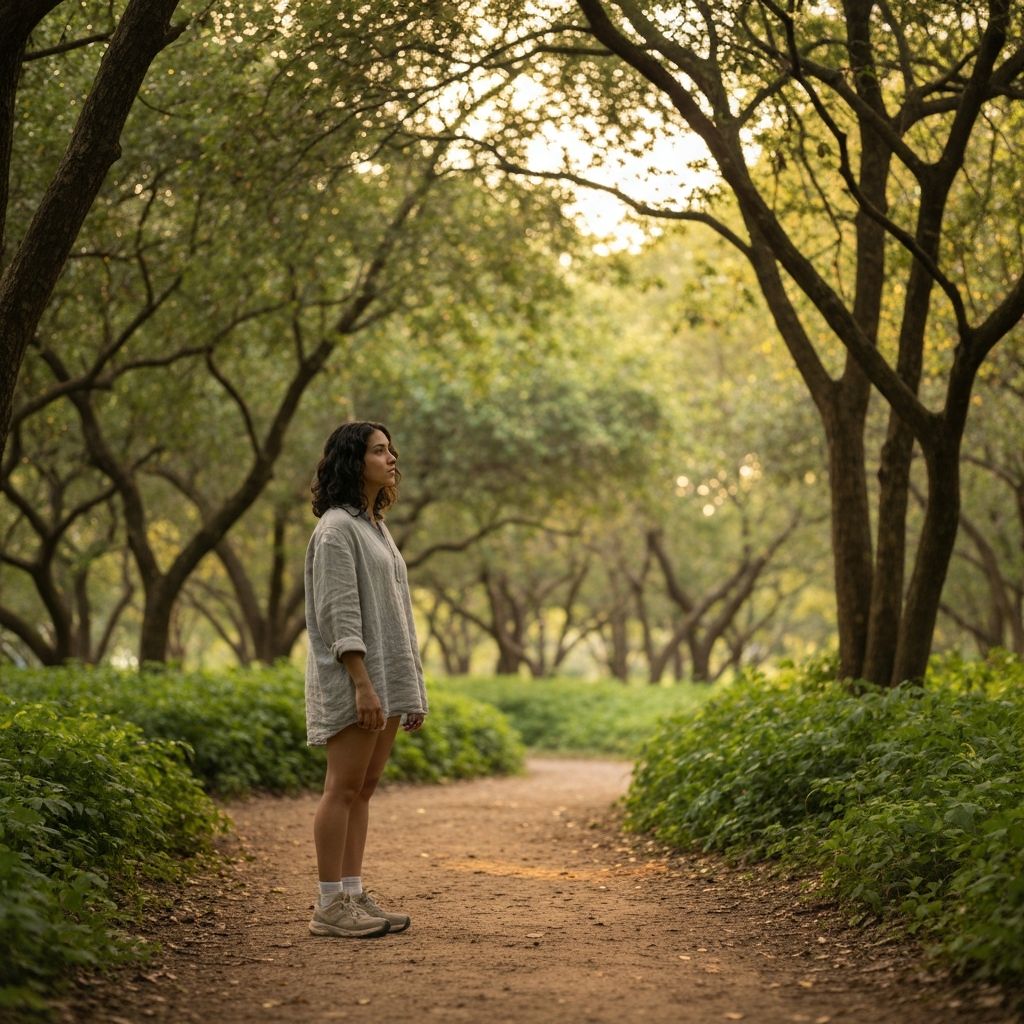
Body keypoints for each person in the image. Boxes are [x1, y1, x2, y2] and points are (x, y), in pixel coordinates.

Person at [303, 421, 428, 938]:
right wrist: (362, 682)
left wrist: (410, 686)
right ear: (354, 461)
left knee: (365, 787)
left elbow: (397, 612)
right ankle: (329, 904)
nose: (391, 457)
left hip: (385, 679)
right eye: (379, 451)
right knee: (343, 786)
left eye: (391, 449)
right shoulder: (336, 528)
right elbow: (340, 611)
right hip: (356, 678)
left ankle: (352, 893)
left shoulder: (374, 525)